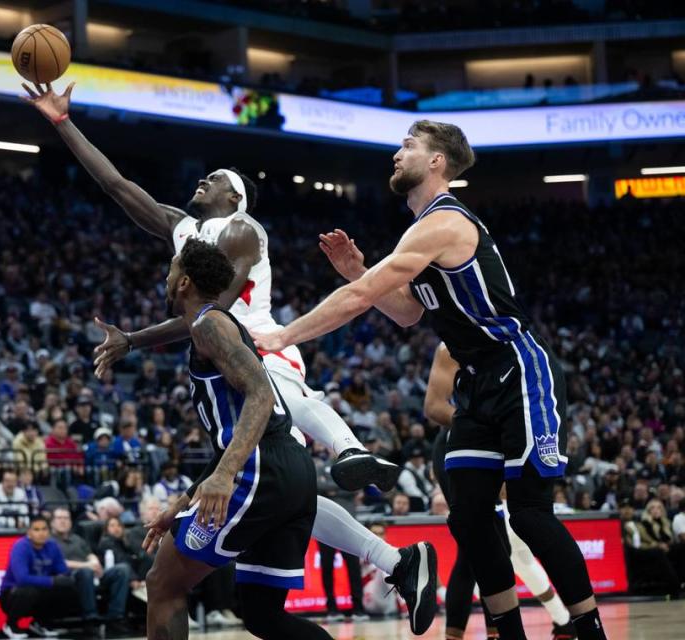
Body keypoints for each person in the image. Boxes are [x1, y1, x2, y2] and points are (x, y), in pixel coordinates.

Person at [22, 80, 436, 632]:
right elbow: (118, 186)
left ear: (234, 196)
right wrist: (61, 123)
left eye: (214, 177)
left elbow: (215, 315)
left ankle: (350, 449)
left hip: (264, 344)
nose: (203, 178)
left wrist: (138, 339)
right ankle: (392, 555)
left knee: (182, 563)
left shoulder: (241, 231)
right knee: (273, 566)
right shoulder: (186, 230)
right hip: (249, 394)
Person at [257, 120, 603, 639]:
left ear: (437, 161)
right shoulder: (420, 230)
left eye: (408, 146)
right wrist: (359, 271)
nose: (397, 154)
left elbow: (361, 300)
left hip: (519, 369)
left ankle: (587, 626)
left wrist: (284, 335)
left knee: (529, 515)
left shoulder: (444, 222)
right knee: (467, 516)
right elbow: (407, 313)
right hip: (477, 383)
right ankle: (508, 631)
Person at [129, 239, 328, 640]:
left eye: (170, 271)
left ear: (184, 281)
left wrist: (225, 476)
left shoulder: (208, 323)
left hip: (260, 468)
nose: (165, 280)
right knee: (263, 617)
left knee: (163, 583)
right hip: (289, 469)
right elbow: (231, 440)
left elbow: (261, 394)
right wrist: (185, 502)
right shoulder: (212, 325)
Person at [426, 341, 577, 639]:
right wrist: (481, 431)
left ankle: (526, 626)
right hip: (461, 445)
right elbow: (433, 406)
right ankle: (480, 632)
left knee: (500, 547)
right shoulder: (451, 345)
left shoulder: (517, 344)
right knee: (479, 546)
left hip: (499, 445)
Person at [49, 507, 130, 633]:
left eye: (66, 518)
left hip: (92, 573)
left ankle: (115, 618)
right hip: (69, 577)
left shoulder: (77, 539)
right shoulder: (49, 541)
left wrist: (95, 563)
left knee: (122, 569)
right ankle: (91, 618)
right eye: (59, 518)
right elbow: (58, 563)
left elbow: (90, 554)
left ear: (70, 522)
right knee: (85, 573)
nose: (63, 521)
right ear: (52, 522)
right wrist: (87, 566)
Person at [0, 516, 76, 639]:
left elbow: (63, 570)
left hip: (39, 590)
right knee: (29, 589)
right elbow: (22, 579)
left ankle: (39, 623)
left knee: (66, 586)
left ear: (49, 531)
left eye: (44, 529)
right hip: (11, 595)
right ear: (29, 533)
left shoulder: (52, 546)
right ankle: (10, 624)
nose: (41, 533)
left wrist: (63, 578)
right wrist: (51, 581)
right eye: (36, 529)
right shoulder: (20, 546)